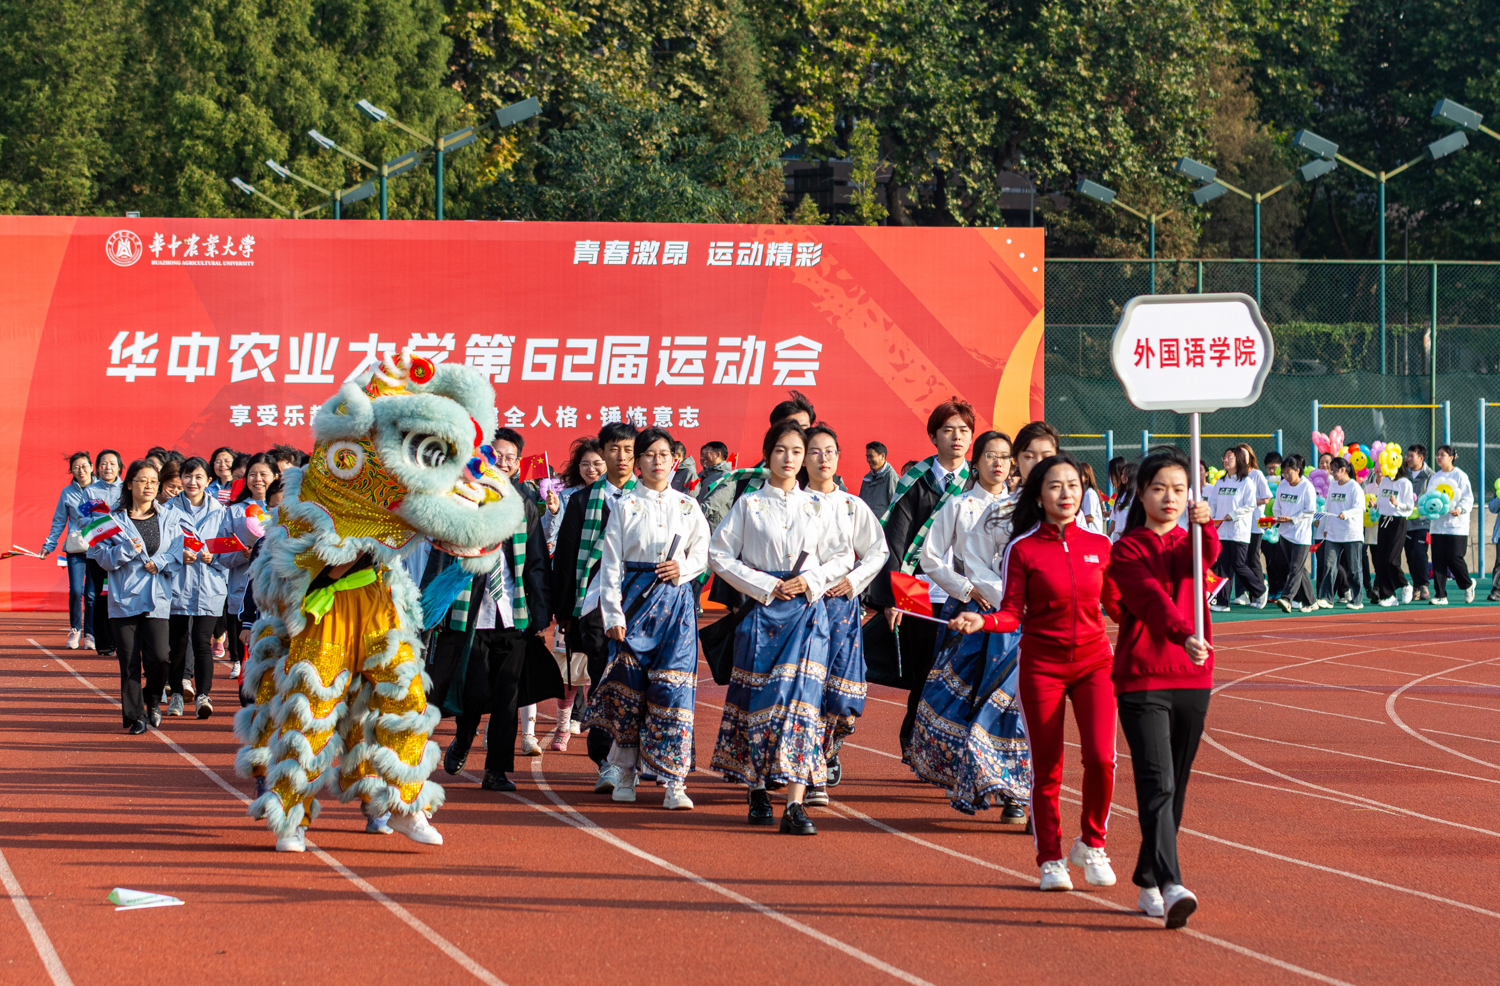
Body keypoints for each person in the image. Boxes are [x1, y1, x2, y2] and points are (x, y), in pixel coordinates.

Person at [948, 452, 1116, 892]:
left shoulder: (1100, 546)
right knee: (1048, 766)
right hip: (1042, 666)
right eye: (1056, 486)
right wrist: (981, 620)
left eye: (1074, 485)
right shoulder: (1023, 550)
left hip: (1095, 664)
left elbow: (1120, 607)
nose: (1066, 494)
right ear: (1039, 496)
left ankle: (1092, 843)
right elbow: (1010, 613)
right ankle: (1051, 858)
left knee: (1102, 758)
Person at [709, 420, 851, 835]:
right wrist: (765, 584)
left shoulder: (821, 506)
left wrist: (811, 581)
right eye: (781, 451)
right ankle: (755, 789)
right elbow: (719, 554)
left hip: (807, 617)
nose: (790, 459)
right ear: (768, 455)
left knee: (803, 706)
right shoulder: (749, 505)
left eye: (797, 451)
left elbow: (843, 556)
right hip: (762, 616)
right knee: (758, 702)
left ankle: (795, 803)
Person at [1103, 447, 1216, 929]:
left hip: (1194, 676)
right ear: (1140, 493)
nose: (1169, 498)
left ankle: (1148, 874)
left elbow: (1208, 557)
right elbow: (1148, 599)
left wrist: (1206, 525)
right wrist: (1183, 633)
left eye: (1179, 489)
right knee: (1158, 782)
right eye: (1158, 488)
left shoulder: (1192, 538)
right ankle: (1171, 885)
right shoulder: (1127, 548)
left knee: (1178, 786)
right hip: (1144, 677)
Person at [583, 427, 711, 808]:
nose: (658, 461)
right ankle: (625, 775)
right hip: (635, 604)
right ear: (637, 463)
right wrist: (613, 615)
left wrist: (683, 569)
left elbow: (703, 553)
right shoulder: (624, 505)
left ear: (675, 460)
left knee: (673, 691)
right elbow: (609, 566)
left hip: (676, 609)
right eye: (649, 454)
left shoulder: (689, 506)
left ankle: (674, 781)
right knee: (631, 691)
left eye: (664, 454)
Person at [909, 430, 1030, 820]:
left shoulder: (1025, 509)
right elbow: (930, 558)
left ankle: (1012, 791)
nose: (998, 463)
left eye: (1005, 456)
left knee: (1011, 701)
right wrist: (965, 588)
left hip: (1015, 618)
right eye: (990, 456)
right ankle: (971, 775)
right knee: (965, 696)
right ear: (975, 463)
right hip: (969, 614)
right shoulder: (958, 506)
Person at [865, 399, 979, 756]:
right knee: (924, 672)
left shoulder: (978, 482)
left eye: (963, 430)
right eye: (948, 430)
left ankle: (953, 746)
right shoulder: (916, 481)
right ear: (933, 436)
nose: (956, 437)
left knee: (963, 674)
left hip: (968, 593)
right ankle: (914, 740)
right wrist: (894, 599)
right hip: (922, 592)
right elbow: (896, 540)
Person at [438, 445, 552, 793]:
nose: (502, 463)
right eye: (495, 456)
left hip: (513, 612)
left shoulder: (524, 507)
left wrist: (541, 611)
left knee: (508, 695)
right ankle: (463, 736)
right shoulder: (461, 500)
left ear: (518, 463)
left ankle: (497, 771)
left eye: (509, 458)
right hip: (470, 613)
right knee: (473, 690)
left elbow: (536, 562)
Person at [801, 424, 889, 807]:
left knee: (840, 692)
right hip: (800, 608)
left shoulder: (853, 505)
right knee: (805, 689)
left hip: (840, 608)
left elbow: (877, 551)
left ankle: (828, 749)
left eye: (830, 452)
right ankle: (810, 771)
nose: (823, 459)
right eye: (815, 451)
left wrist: (852, 582)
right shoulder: (790, 501)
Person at [553, 421, 640, 778]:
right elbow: (567, 556)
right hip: (592, 607)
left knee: (636, 681)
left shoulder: (649, 498)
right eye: (614, 450)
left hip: (639, 604)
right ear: (602, 454)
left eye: (629, 451)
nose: (621, 458)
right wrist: (564, 610)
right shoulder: (581, 501)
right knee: (602, 678)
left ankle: (633, 757)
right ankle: (605, 759)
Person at [88, 460, 187, 734]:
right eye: (143, 480)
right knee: (129, 661)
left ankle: (152, 699)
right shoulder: (111, 521)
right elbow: (101, 558)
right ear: (129, 483)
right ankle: (136, 717)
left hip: (157, 597)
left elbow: (179, 550)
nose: (149, 486)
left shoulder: (169, 517)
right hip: (124, 598)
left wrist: (162, 562)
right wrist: (126, 552)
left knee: (160, 657)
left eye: (153, 481)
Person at [163, 456, 234, 718]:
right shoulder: (167, 510)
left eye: (198, 477)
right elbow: (160, 548)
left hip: (209, 587)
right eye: (187, 476)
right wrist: (176, 555)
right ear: (180, 478)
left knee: (203, 642)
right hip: (177, 586)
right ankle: (178, 697)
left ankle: (203, 695)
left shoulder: (221, 511)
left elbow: (228, 552)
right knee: (178, 644)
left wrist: (213, 558)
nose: (192, 482)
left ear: (208, 481)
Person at [700, 390, 816, 530]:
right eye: (789, 427)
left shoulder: (821, 477)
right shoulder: (749, 480)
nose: (796, 434)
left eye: (804, 428)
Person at [222, 454, 279, 679]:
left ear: (275, 477)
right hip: (245, 593)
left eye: (263, 474)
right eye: (252, 474)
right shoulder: (234, 511)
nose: (257, 479)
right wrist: (244, 554)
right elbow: (223, 557)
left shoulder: (290, 509)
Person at [40, 452, 101, 650]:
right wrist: (49, 545)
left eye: (84, 466)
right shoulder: (67, 492)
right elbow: (59, 520)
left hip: (97, 547)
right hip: (75, 547)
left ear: (92, 467)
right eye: (76, 467)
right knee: (76, 591)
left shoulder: (100, 489)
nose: (81, 471)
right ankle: (75, 630)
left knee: (92, 595)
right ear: (72, 471)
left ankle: (91, 633)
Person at [1207, 446, 1264, 611]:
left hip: (1239, 531)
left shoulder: (1247, 482)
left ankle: (1259, 589)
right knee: (1223, 566)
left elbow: (1250, 505)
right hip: (1221, 531)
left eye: (1229, 458)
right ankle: (1223, 602)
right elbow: (1213, 504)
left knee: (1238, 565)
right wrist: (1212, 518)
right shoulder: (1220, 481)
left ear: (1238, 460)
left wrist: (1233, 514)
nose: (1225, 461)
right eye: (1224, 458)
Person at [86, 449, 124, 655]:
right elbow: (83, 519)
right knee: (101, 596)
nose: (107, 468)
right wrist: (102, 524)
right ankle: (103, 643)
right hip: (98, 553)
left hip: (121, 552)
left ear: (119, 467)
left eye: (112, 464)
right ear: (97, 467)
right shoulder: (91, 492)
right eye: (103, 464)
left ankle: (120, 642)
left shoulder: (126, 489)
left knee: (119, 596)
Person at [1427, 445, 1475, 605]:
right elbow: (1429, 498)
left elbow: (1468, 498)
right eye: (1437, 454)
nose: (1439, 457)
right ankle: (1440, 595)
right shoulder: (1435, 477)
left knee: (1455, 558)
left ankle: (1468, 584)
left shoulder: (1460, 476)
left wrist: (1460, 509)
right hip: (1437, 526)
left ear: (1451, 457)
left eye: (1442, 455)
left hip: (1456, 526)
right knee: (1438, 560)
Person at [1318, 457, 1365, 610]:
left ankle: (1357, 600)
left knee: (1354, 568)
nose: (1332, 474)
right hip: (1333, 533)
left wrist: (1346, 514)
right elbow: (1329, 508)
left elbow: (1360, 508)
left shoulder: (1354, 487)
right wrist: (1326, 527)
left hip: (1352, 534)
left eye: (1334, 471)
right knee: (1329, 565)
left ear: (1343, 470)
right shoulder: (1333, 486)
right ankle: (1326, 598)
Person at [1272, 454, 1317, 613]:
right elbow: (1276, 506)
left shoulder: (1307, 486)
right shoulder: (1282, 485)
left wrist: (1292, 519)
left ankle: (1287, 598)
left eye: (1289, 473)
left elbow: (1310, 510)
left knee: (1296, 567)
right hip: (1284, 534)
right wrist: (1278, 518)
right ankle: (1311, 601)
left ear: (1298, 470)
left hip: (1301, 536)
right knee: (1297, 569)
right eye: (1283, 473)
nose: (1286, 476)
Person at [1373, 450, 1416, 606]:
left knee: (1392, 560)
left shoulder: (1405, 483)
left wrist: (1398, 504)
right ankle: (1388, 596)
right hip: (1384, 521)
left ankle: (1404, 585)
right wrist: (1375, 505)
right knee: (1380, 560)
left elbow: (1410, 508)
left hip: (1398, 522)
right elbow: (1381, 503)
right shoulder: (1384, 481)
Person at [1401, 445, 1434, 601]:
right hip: (1406, 523)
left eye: (1411, 456)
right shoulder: (1402, 474)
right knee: (1409, 555)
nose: (1407, 458)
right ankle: (1416, 586)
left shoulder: (1430, 476)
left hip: (1424, 523)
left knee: (1419, 552)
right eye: (1407, 455)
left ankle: (1423, 585)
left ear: (1421, 458)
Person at [859, 441, 899, 518]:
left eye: (871, 456)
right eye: (867, 456)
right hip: (865, 523)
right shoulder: (867, 478)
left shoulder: (891, 476)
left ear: (882, 456)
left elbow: (895, 506)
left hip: (881, 526)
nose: (868, 460)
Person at [1107, 459, 1137, 542]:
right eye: (1122, 474)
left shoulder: (1137, 495)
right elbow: (1113, 510)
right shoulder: (1118, 492)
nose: (1111, 477)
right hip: (1118, 537)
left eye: (1112, 473)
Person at [1077, 462, 1105, 536]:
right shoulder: (1089, 492)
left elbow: (1090, 517)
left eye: (1080, 474)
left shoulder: (1090, 493)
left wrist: (1074, 523)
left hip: (1093, 534)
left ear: (1086, 476)